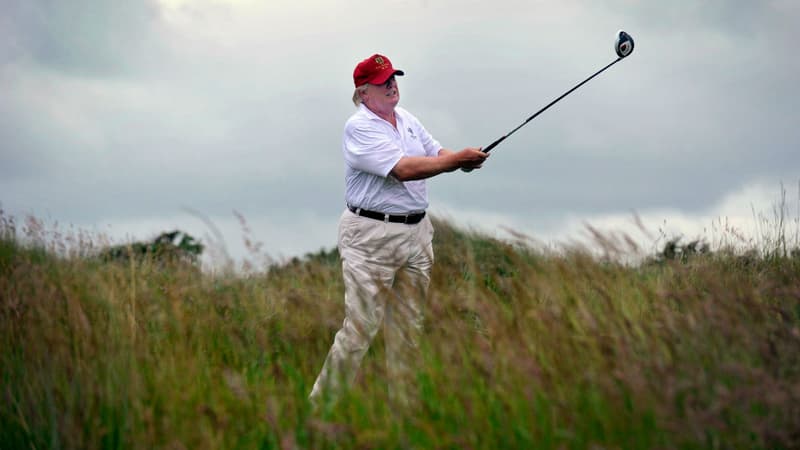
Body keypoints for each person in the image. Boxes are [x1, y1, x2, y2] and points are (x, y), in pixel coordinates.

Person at [309, 53, 488, 409]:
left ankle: (403, 417)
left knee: (408, 331)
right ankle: (318, 412)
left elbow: (436, 151)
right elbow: (403, 169)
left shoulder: (405, 119)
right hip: (370, 235)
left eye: (393, 78)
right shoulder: (358, 127)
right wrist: (455, 162)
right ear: (363, 93)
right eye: (382, 82)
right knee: (360, 329)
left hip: (416, 233)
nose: (391, 85)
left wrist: (462, 161)